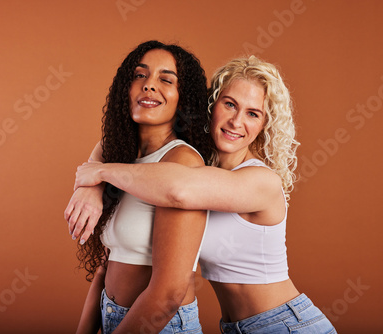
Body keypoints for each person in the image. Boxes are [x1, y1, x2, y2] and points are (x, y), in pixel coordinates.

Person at [71, 55, 337, 333]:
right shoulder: (200, 168)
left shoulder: (261, 181)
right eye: (230, 104)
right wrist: (91, 186)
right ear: (212, 105)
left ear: (264, 126)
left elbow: (178, 190)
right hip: (235, 327)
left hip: (285, 325)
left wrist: (100, 173)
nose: (236, 121)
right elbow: (131, 153)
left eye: (252, 113)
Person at [65, 40, 214, 333]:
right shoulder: (123, 158)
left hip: (161, 325)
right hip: (112, 317)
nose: (148, 86)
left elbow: (168, 294)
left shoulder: (182, 162)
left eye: (166, 79)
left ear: (183, 98)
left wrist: (95, 175)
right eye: (140, 75)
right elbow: (105, 268)